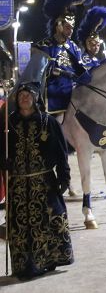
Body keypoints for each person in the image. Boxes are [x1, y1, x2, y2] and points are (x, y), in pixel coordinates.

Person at [2, 82, 74, 280]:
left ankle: (49, 259)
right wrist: (4, 162)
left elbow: (61, 152)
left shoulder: (47, 122)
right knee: (21, 225)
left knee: (47, 220)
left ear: (35, 99)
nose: (24, 98)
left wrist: (64, 176)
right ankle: (25, 265)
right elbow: (1, 150)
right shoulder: (8, 123)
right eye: (20, 96)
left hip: (43, 181)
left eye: (28, 95)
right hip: (18, 184)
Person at [21, 0, 100, 119]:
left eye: (72, 28)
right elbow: (35, 74)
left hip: (73, 94)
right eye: (68, 27)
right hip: (52, 95)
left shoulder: (74, 47)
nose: (71, 31)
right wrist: (53, 71)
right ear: (58, 25)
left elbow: (81, 69)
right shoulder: (44, 46)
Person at [75, 5, 106, 69]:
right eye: (93, 44)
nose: (96, 47)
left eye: (98, 45)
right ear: (87, 44)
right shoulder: (83, 60)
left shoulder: (97, 61)